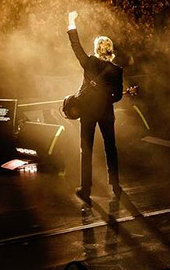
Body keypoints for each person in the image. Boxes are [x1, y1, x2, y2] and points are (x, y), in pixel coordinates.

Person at [67, 11, 124, 203]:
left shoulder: (90, 63)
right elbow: (117, 97)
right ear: (110, 50)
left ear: (97, 49)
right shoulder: (117, 71)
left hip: (88, 113)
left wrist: (71, 22)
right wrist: (106, 97)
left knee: (86, 149)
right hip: (106, 113)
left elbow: (76, 47)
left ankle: (86, 189)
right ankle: (115, 185)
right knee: (111, 148)